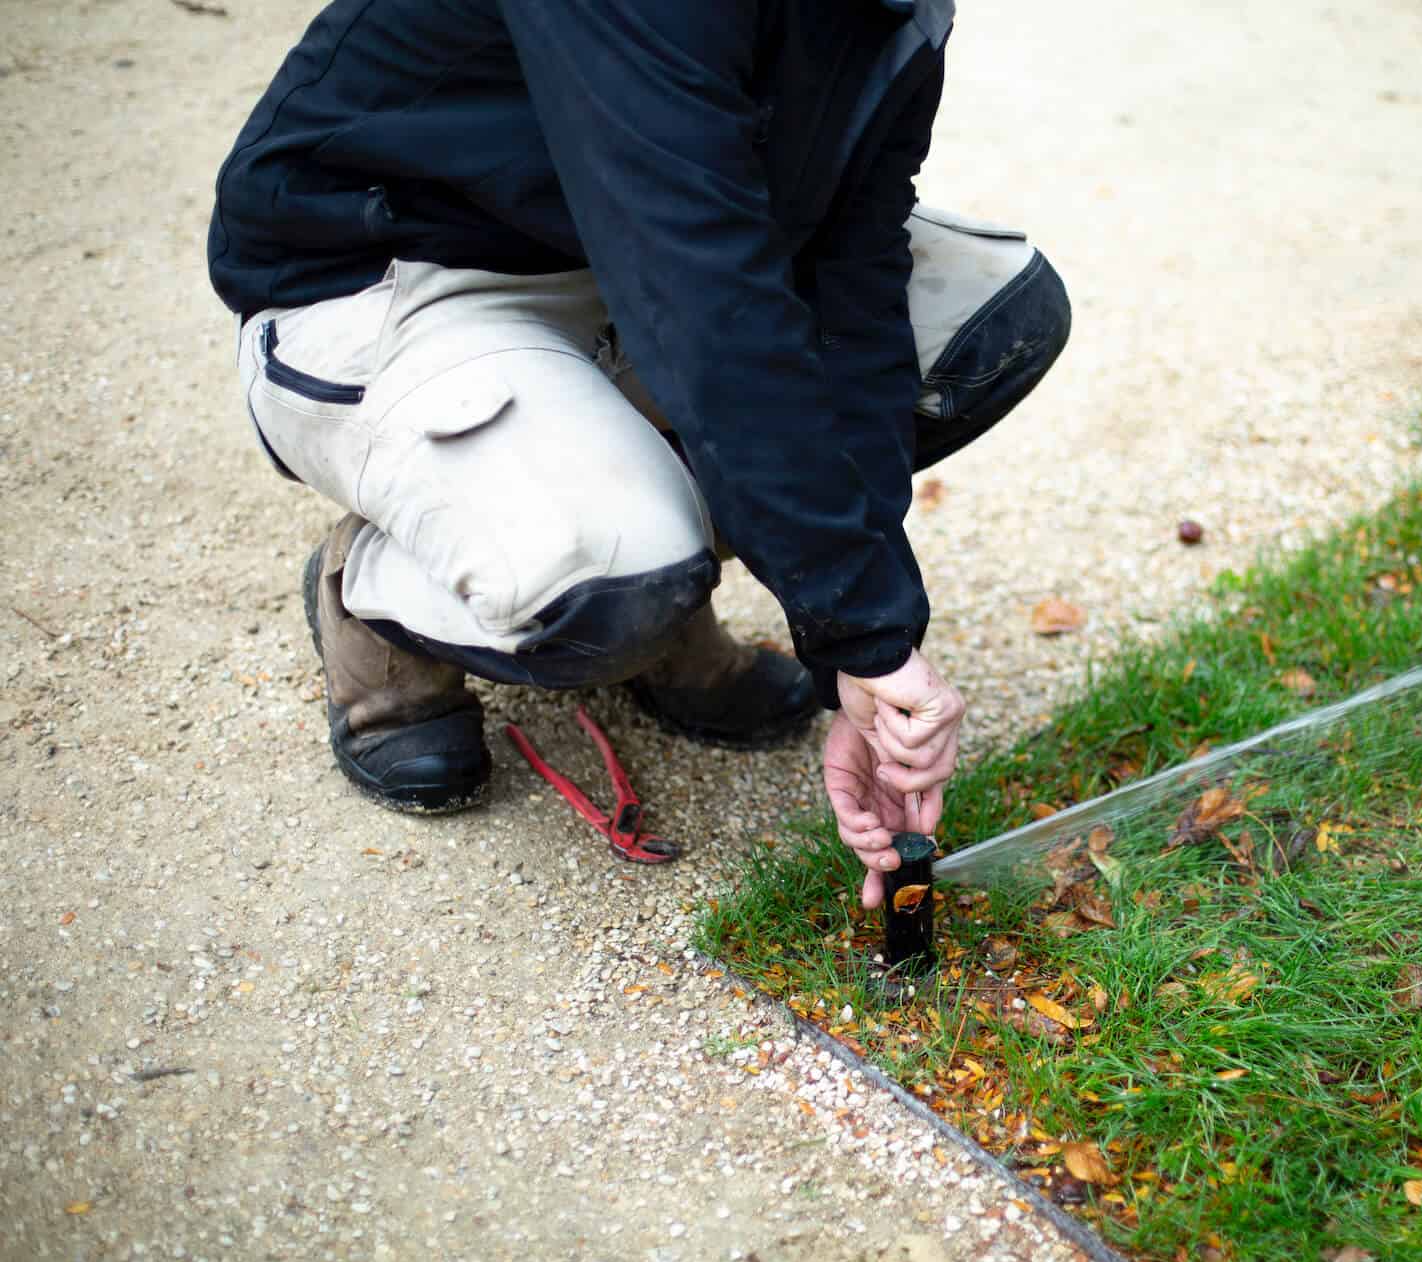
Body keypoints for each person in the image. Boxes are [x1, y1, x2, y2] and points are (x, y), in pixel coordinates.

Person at [206, 0, 1069, 906]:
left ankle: (656, 573)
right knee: (614, 573)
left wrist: (866, 642)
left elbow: (849, 278)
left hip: (630, 253)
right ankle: (377, 597)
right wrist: (858, 628)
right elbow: (703, 299)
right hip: (397, 273)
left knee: (984, 324)